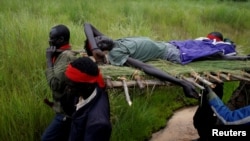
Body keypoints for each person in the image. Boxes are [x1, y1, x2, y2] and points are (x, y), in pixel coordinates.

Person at [42, 24, 79, 141]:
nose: (49, 40)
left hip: (65, 113)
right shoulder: (61, 54)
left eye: (52, 38)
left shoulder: (66, 57)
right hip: (66, 109)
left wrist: (48, 60)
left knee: (46, 139)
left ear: (61, 39)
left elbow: (55, 85)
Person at [64, 57, 112, 141]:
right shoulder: (86, 91)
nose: (67, 89)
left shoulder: (97, 124)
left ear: (88, 87)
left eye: (71, 86)